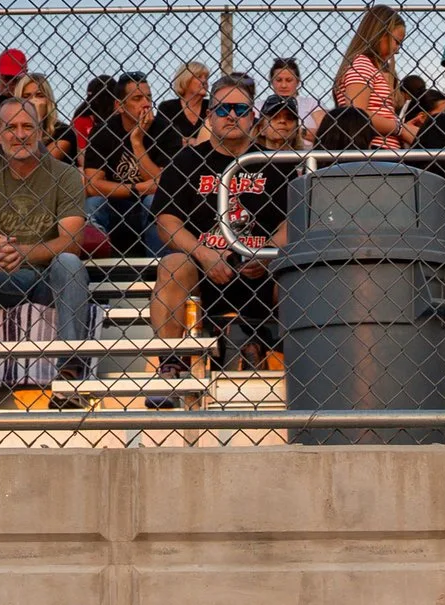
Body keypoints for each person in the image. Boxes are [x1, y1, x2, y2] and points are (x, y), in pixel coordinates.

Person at [0, 96, 88, 398]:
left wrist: (23, 252)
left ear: (40, 132)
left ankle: (70, 373)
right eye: (11, 127)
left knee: (70, 264)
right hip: (1, 276)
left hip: (48, 276)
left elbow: (72, 243)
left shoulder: (66, 175)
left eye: (27, 127)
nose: (20, 134)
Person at [149, 74, 289, 374]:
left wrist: (268, 253)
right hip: (204, 267)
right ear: (209, 115)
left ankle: (297, 357)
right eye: (223, 109)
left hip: (262, 268)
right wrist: (203, 253)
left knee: (297, 272)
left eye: (240, 109)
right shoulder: (186, 161)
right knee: (173, 264)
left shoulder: (276, 164)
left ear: (252, 116)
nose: (232, 116)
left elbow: (292, 222)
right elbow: (166, 221)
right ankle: (172, 362)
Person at [82, 71, 160, 258]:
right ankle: (96, 270)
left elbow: (162, 183)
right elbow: (92, 185)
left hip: (146, 203)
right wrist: (137, 188)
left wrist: (137, 142)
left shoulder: (163, 128)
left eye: (149, 97)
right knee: (93, 204)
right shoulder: (103, 132)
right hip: (113, 203)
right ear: (120, 106)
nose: (146, 104)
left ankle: (159, 266)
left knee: (153, 201)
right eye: (137, 98)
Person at [334, 6, 414, 151]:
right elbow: (356, 115)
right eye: (396, 42)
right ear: (380, 34)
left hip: (381, 152)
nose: (397, 50)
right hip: (373, 151)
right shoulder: (361, 64)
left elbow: (376, 112)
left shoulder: (369, 67)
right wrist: (401, 129)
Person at [149, 60, 211, 162]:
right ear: (185, 80)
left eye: (206, 77)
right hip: (173, 162)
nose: (204, 81)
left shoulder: (211, 107)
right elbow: (163, 142)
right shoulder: (167, 108)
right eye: (199, 77)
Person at [265, 56, 326, 142]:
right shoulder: (259, 106)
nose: (283, 85)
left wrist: (295, 131)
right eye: (278, 80)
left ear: (297, 81)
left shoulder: (312, 103)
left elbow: (326, 133)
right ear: (271, 82)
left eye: (289, 80)